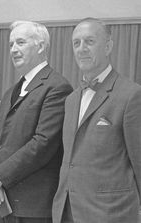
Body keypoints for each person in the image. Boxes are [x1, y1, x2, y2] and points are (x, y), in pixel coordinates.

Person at [0, 21, 73, 223]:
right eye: (11, 44)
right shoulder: (11, 91)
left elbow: (43, 143)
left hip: (32, 206)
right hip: (0, 200)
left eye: (20, 43)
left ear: (40, 46)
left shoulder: (57, 87)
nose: (13, 49)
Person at [52, 17, 141, 223]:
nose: (82, 49)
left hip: (110, 213)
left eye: (90, 42)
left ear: (108, 46)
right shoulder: (71, 100)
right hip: (66, 211)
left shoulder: (131, 95)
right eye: (77, 43)